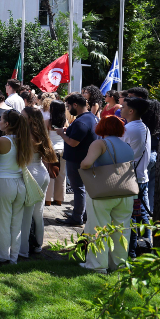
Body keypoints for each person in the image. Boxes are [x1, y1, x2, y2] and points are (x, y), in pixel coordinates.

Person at [79, 116, 135, 273]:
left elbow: (86, 163)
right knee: (122, 228)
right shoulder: (127, 146)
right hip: (125, 191)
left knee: (97, 226)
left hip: (103, 190)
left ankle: (97, 265)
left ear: (102, 127)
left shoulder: (99, 143)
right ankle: (118, 264)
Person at [0, 110, 33, 264]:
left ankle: (1, 255)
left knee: (1, 221)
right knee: (16, 222)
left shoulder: (1, 141)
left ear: (7, 124)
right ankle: (13, 256)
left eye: (1, 119)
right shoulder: (25, 140)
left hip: (3, 182)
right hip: (19, 183)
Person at [55, 93, 98, 227]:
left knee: (78, 188)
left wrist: (62, 133)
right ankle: (81, 213)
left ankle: (77, 217)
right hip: (85, 158)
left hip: (77, 160)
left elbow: (73, 143)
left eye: (68, 106)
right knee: (82, 189)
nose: (68, 109)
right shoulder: (91, 117)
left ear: (75, 105)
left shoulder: (81, 121)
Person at [20, 107, 56, 258]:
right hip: (42, 172)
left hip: (31, 173)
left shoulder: (25, 135)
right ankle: (38, 245)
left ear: (29, 119)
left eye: (23, 116)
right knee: (38, 212)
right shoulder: (41, 134)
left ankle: (24, 248)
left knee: (27, 214)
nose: (20, 118)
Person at [126, 87, 160, 233]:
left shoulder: (137, 125)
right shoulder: (153, 118)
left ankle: (144, 237)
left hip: (141, 164)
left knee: (140, 203)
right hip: (151, 157)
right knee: (146, 199)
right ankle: (149, 234)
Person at [120, 97, 151, 257]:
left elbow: (116, 151)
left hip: (130, 180)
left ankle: (131, 252)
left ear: (131, 111)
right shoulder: (144, 127)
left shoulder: (128, 129)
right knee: (141, 215)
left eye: (123, 106)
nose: (120, 108)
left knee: (130, 217)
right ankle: (146, 247)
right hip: (141, 177)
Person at [45, 100, 67, 206]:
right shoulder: (65, 121)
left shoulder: (47, 122)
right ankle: (59, 199)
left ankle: (48, 199)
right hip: (62, 149)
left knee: (50, 174)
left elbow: (44, 136)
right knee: (61, 174)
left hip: (51, 149)